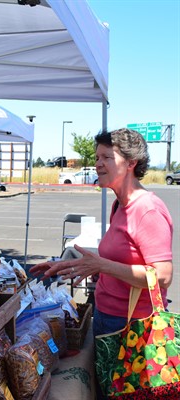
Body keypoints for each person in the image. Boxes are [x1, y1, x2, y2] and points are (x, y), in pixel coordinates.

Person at [29, 128, 173, 337]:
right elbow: (120, 263)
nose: (98, 164)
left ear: (131, 163)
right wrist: (70, 265)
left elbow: (163, 276)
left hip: (135, 327)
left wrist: (102, 265)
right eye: (97, 157)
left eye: (107, 157)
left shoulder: (148, 209)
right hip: (107, 316)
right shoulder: (119, 205)